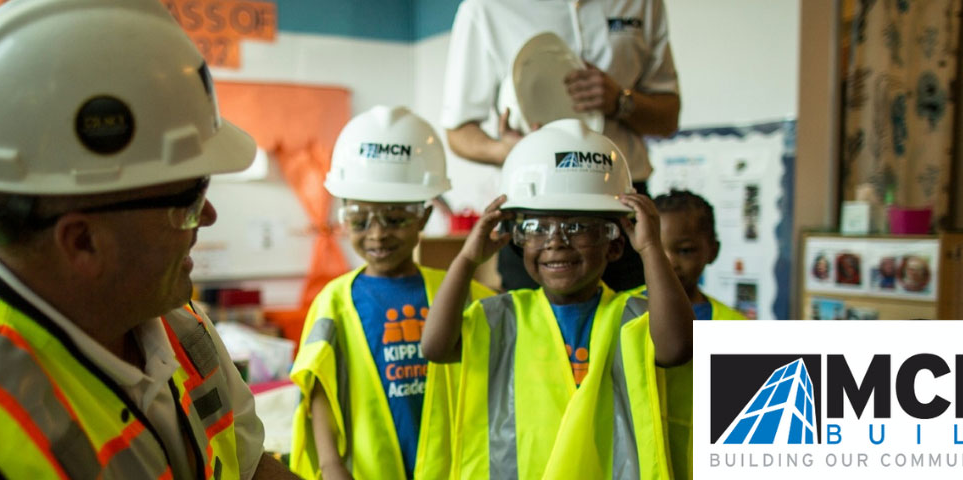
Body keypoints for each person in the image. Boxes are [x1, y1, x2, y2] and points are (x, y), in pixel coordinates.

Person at [0, 0, 294, 478]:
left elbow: (251, 468)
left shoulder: (173, 320)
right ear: (82, 242)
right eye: (189, 200)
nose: (208, 216)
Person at [421, 119, 693, 479]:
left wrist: (651, 248)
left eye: (577, 227)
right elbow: (435, 347)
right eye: (536, 228)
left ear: (614, 244)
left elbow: (677, 349)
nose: (555, 242)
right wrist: (468, 258)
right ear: (518, 239)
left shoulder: (632, 317)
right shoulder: (502, 317)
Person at [288, 106, 494, 480]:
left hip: (452, 468)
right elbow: (318, 388)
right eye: (360, 221)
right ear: (344, 219)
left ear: (423, 218)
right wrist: (331, 463)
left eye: (396, 219)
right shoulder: (333, 302)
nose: (378, 234)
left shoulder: (463, 294)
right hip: (370, 470)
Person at [440, 0, 681, 293]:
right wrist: (511, 152)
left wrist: (620, 100)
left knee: (637, 316)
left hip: (621, 202)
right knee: (530, 319)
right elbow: (458, 132)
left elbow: (669, 117)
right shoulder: (485, 7)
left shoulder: (642, 3)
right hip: (532, 204)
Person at [648, 189, 748, 480]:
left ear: (712, 251)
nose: (669, 262)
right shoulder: (624, 311)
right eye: (658, 250)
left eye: (685, 250)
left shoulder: (735, 327)